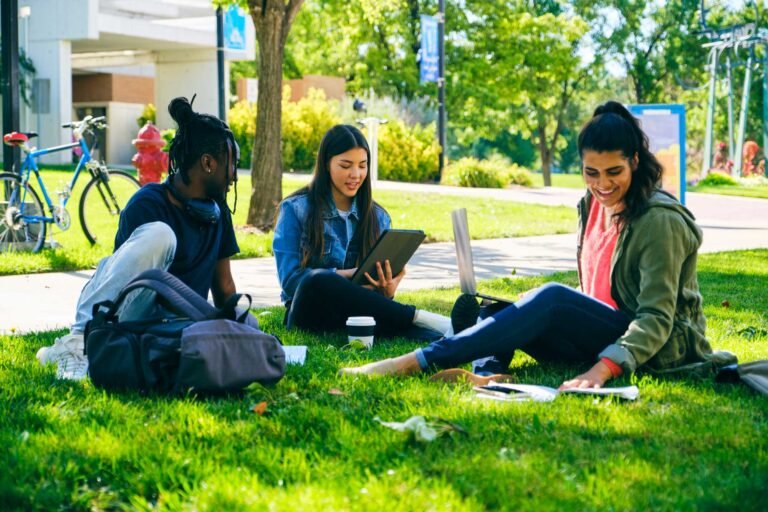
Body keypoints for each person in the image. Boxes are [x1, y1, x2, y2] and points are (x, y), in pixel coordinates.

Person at [342, 101, 721, 388]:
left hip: (658, 352)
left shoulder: (660, 221)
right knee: (500, 309)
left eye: (614, 172)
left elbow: (654, 318)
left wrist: (601, 370)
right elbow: (603, 292)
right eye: (591, 173)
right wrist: (530, 305)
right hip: (603, 331)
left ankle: (414, 362)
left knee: (551, 298)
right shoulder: (591, 206)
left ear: (635, 162)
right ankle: (488, 377)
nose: (602, 184)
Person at [36, 96, 240, 380]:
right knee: (160, 233)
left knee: (247, 321)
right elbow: (123, 286)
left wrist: (247, 331)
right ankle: (79, 343)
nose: (234, 175)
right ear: (208, 163)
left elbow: (224, 288)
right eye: (232, 164)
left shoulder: (218, 211)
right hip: (131, 318)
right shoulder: (148, 204)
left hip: (180, 327)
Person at [273, 124, 452, 339]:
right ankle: (419, 316)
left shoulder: (379, 217)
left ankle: (447, 333)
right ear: (326, 164)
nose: (356, 174)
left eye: (362, 165)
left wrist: (388, 290)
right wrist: (348, 275)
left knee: (411, 333)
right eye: (346, 165)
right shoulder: (295, 210)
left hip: (361, 315)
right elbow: (291, 281)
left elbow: (378, 298)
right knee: (316, 280)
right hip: (311, 313)